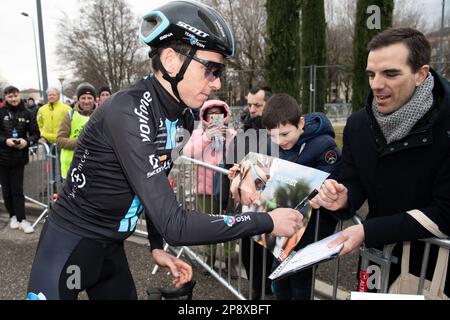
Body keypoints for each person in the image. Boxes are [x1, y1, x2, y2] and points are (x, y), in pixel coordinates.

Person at [27, 1, 301, 300]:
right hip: (70, 242)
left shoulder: (182, 116)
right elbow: (176, 225)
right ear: (171, 60)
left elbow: (155, 186)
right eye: (211, 69)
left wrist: (156, 246)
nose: (217, 82)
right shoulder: (127, 112)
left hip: (111, 249)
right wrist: (267, 220)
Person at [310, 27, 450, 295]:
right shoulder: (358, 125)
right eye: (372, 74)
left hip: (434, 272)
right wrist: (342, 197)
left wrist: (368, 231)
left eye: (390, 73)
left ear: (421, 74)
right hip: (376, 262)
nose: (376, 84)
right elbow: (352, 179)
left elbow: (445, 212)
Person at [260, 93, 341, 300]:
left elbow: (333, 180)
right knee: (278, 276)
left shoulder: (324, 146)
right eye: (273, 136)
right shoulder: (276, 145)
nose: (280, 141)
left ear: (301, 123)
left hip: (312, 227)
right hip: (286, 224)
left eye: (285, 134)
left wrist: (318, 191)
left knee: (300, 278)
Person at [224, 85, 274, 299]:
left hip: (271, 207)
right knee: (248, 253)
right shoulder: (245, 130)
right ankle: (255, 291)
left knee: (267, 256)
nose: (252, 109)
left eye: (257, 105)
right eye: (250, 104)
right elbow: (231, 159)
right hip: (246, 208)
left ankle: (268, 292)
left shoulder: (277, 132)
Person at [183, 99, 237, 269]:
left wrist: (227, 136)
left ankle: (230, 260)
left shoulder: (232, 134)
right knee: (209, 225)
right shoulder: (198, 134)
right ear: (205, 115)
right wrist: (207, 137)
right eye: (211, 113)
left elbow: (238, 156)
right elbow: (188, 152)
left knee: (231, 224)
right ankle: (210, 258)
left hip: (226, 189)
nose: (215, 116)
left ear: (224, 115)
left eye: (218, 113)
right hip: (204, 189)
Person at [0, 86, 40, 233]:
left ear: (19, 95)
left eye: (15, 95)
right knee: (6, 191)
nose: (13, 99)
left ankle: (22, 219)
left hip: (18, 158)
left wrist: (26, 142)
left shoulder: (28, 113)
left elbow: (36, 134)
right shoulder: (1, 112)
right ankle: (13, 216)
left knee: (17, 190)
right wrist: (6, 141)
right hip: (3, 158)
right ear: (6, 97)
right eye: (10, 96)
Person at [57, 83, 96, 180]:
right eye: (83, 98)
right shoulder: (70, 115)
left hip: (93, 169)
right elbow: (59, 140)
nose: (86, 101)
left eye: (89, 98)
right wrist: (80, 142)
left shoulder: (100, 116)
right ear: (78, 99)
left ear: (94, 99)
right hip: (71, 168)